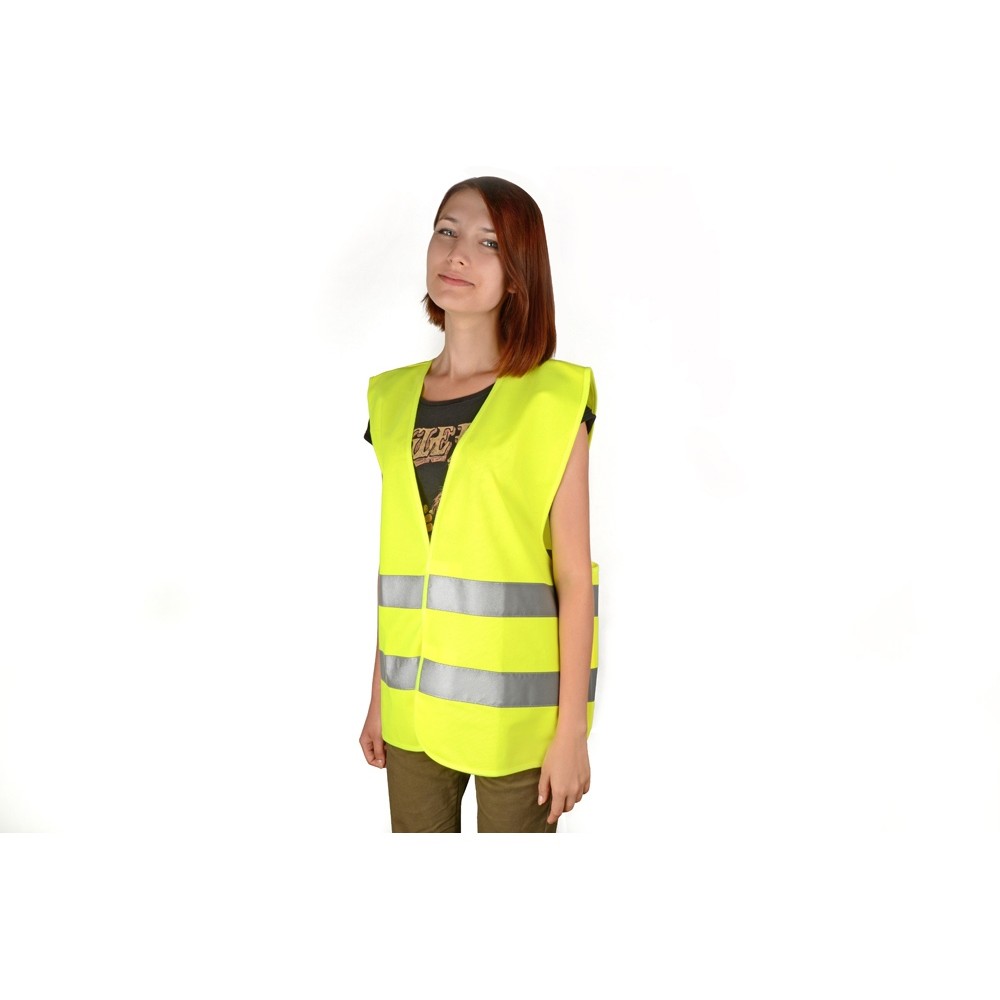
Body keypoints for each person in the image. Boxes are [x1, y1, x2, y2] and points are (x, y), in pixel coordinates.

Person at [358, 176, 600, 833]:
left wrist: (571, 732)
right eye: (447, 231)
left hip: (516, 723)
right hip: (411, 715)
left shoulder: (552, 400)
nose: (458, 252)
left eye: (488, 242)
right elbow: (404, 567)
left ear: (519, 275)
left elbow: (573, 577)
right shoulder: (390, 400)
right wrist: (379, 697)